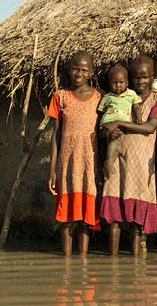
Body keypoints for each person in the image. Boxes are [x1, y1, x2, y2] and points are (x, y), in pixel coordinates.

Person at [99, 56, 157, 256]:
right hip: (118, 158)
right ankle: (113, 261)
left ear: (152, 77)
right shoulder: (121, 97)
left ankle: (135, 261)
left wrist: (119, 125)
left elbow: (149, 127)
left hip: (141, 163)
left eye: (144, 77)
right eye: (136, 77)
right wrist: (108, 131)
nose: (140, 81)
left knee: (137, 221)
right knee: (114, 218)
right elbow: (104, 126)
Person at [47, 51, 102, 257]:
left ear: (91, 72)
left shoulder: (100, 97)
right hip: (67, 165)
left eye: (83, 70)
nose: (78, 73)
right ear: (69, 71)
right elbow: (55, 137)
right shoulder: (60, 97)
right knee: (67, 216)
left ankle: (83, 260)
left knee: (86, 216)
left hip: (89, 164)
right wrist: (52, 169)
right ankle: (67, 260)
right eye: (75, 69)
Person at [98, 65, 142, 177]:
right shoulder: (107, 97)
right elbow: (101, 112)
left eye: (121, 82)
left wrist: (139, 118)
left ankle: (108, 162)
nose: (118, 85)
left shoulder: (131, 94)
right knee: (115, 140)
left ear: (127, 82)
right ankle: (108, 162)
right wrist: (100, 127)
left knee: (115, 141)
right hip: (108, 122)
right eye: (114, 82)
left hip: (121, 122)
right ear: (109, 83)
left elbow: (136, 106)